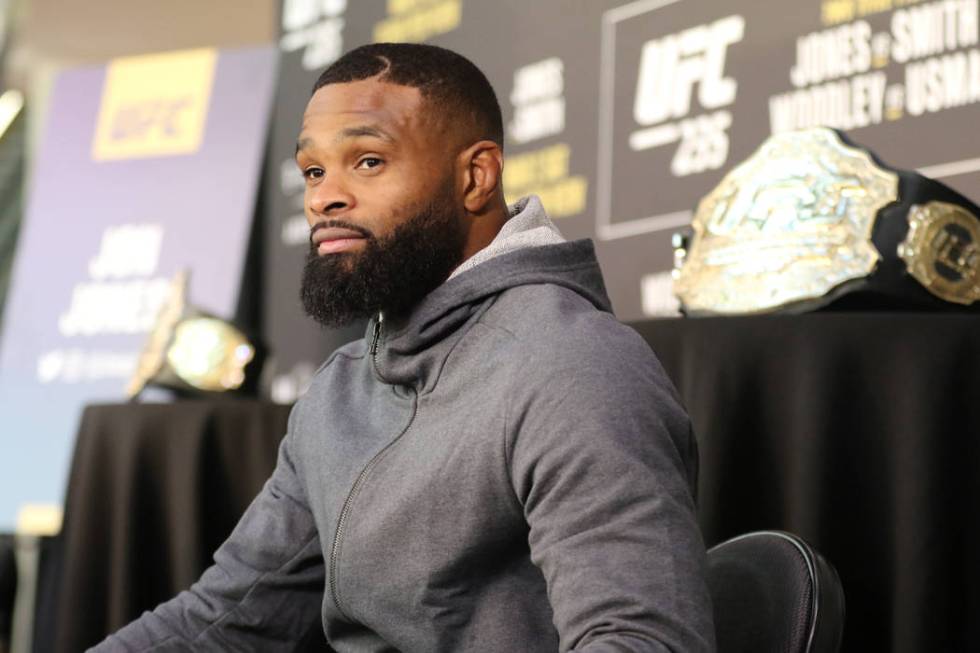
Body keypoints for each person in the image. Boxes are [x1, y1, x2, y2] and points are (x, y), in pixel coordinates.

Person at [93, 43, 715, 652]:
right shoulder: (340, 388)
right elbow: (227, 619)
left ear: (475, 177)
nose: (323, 198)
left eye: (367, 161)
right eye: (313, 170)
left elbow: (642, 639)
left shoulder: (573, 368)